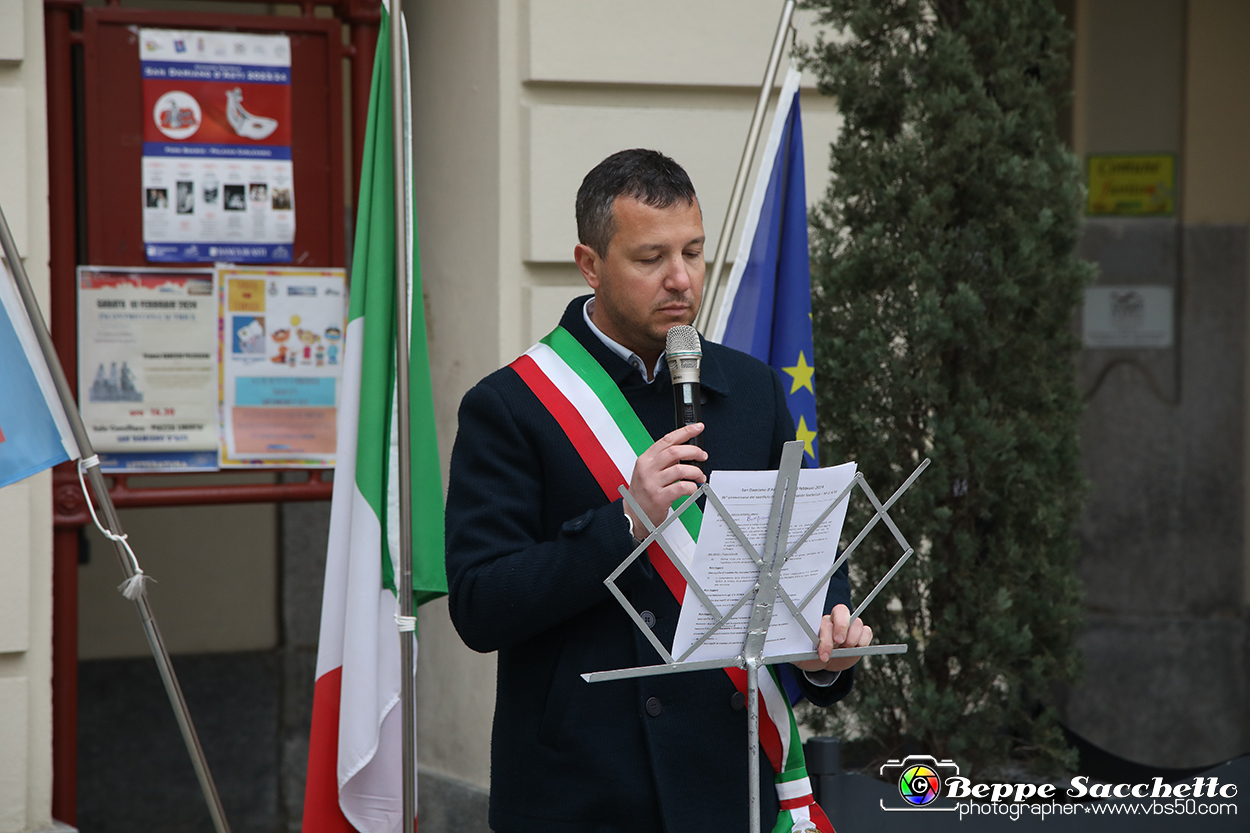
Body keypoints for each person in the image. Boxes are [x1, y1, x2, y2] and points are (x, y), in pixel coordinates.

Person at [445, 149, 872, 832]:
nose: (681, 279)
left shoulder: (754, 390)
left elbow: (806, 563)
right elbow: (478, 604)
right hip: (585, 788)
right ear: (591, 264)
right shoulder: (512, 405)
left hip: (729, 779)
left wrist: (830, 648)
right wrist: (625, 521)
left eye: (694, 252)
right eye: (650, 258)